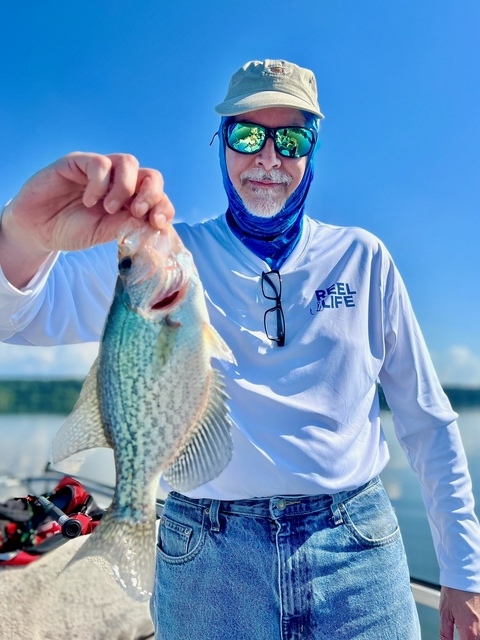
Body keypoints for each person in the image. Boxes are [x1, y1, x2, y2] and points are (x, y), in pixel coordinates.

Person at [0, 59, 479, 639]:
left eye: (292, 138)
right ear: (221, 142)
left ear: (312, 149)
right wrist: (22, 237)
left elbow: (427, 421)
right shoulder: (167, 259)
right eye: (248, 135)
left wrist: (464, 568)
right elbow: (20, 316)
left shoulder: (365, 257)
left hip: (358, 554)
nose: (269, 158)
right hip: (204, 556)